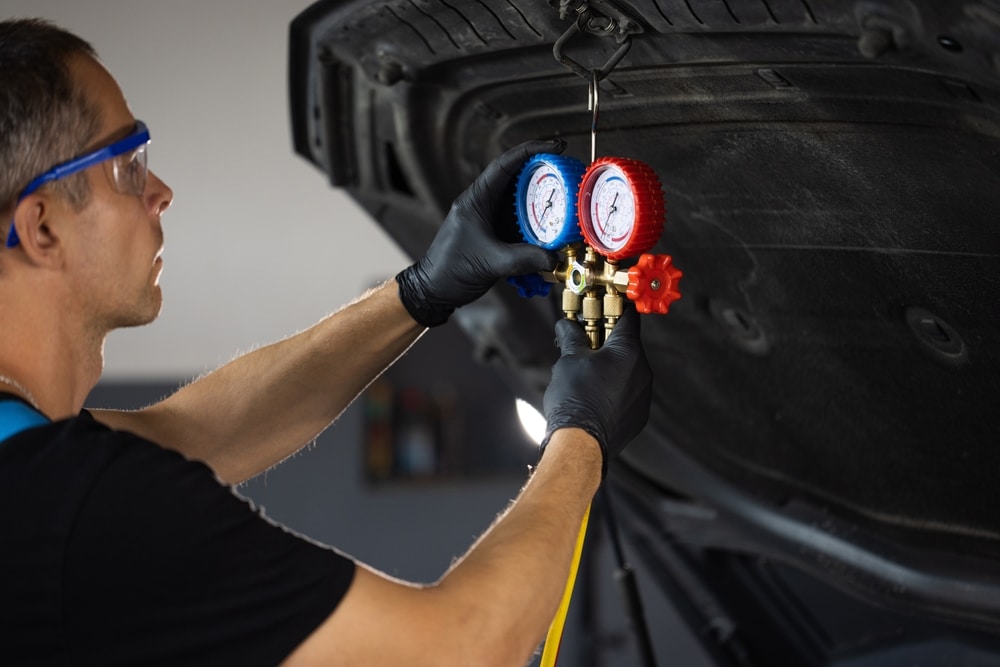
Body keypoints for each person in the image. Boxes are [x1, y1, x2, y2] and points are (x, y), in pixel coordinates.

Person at [0, 18, 652, 667]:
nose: (161, 191)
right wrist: (581, 440)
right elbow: (463, 646)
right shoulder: (75, 510)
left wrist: (422, 290)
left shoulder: (33, 460)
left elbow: (203, 430)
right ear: (42, 227)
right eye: (129, 163)